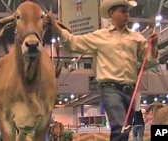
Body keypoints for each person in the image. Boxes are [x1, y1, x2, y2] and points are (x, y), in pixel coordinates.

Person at [48, 0, 159, 140]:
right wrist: (56, 26)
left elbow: (149, 62)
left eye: (128, 11)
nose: (127, 14)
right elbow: (73, 42)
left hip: (131, 90)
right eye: (123, 11)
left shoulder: (137, 38)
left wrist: (153, 46)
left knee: (124, 130)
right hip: (110, 89)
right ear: (111, 13)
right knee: (120, 127)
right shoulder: (100, 36)